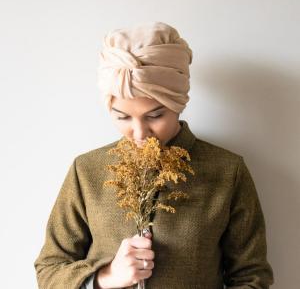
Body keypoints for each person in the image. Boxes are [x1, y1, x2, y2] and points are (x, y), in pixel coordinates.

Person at [34, 22, 274, 289]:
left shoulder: (227, 171)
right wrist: (107, 277)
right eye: (122, 116)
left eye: (155, 115)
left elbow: (252, 276)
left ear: (178, 104)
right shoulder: (87, 170)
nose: (139, 133)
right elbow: (49, 271)